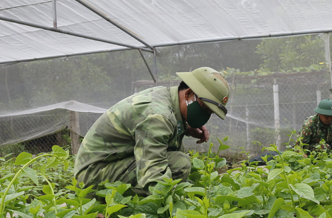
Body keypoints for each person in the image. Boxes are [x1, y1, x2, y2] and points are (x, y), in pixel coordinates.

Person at [74, 66, 230, 194]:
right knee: (180, 164)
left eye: (210, 112)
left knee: (176, 159)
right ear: (189, 94)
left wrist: (186, 127)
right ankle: (111, 205)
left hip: (104, 165)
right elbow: (152, 173)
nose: (205, 115)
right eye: (204, 108)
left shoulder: (167, 97)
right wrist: (178, 208)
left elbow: (162, 141)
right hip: (91, 177)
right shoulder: (158, 115)